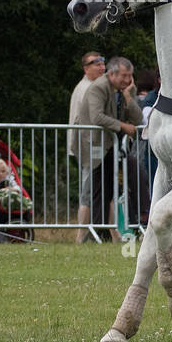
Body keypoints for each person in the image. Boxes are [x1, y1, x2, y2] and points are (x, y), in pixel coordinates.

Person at [78, 57, 148, 239]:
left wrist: (128, 98)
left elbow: (138, 119)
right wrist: (123, 126)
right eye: (124, 75)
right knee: (101, 189)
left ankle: (140, 218)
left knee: (122, 181)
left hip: (113, 147)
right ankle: (99, 232)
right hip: (96, 146)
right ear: (112, 73)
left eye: (130, 76)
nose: (128, 80)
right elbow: (97, 117)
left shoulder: (123, 90)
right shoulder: (99, 87)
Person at [68, 52, 106, 237]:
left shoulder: (96, 86)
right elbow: (83, 121)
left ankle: (95, 234)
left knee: (96, 191)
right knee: (88, 191)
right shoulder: (86, 88)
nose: (101, 66)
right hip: (89, 148)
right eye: (95, 63)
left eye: (102, 62)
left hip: (94, 147)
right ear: (86, 68)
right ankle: (80, 236)